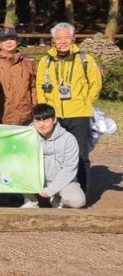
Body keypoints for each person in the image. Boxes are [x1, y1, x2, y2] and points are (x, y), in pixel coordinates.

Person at [36, 22, 102, 195]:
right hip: (55, 115)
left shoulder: (85, 59)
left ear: (73, 39)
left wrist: (85, 102)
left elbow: (96, 84)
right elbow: (40, 87)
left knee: (81, 154)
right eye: (59, 38)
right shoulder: (46, 61)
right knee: (53, 153)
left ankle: (82, 192)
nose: (63, 41)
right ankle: (55, 190)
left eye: (66, 37)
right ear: (53, 41)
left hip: (79, 114)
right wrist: (47, 112)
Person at [20, 103, 86, 209]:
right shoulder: (25, 137)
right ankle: (31, 200)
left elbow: (69, 168)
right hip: (34, 181)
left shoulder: (68, 139)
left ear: (54, 120)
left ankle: (56, 199)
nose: (42, 125)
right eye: (37, 121)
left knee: (77, 201)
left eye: (46, 120)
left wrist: (52, 189)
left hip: (61, 181)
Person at [0, 27, 36, 126]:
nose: (8, 42)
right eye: (4, 40)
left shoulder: (28, 64)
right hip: (1, 117)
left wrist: (35, 110)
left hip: (26, 118)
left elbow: (33, 89)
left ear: (17, 41)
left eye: (11, 39)